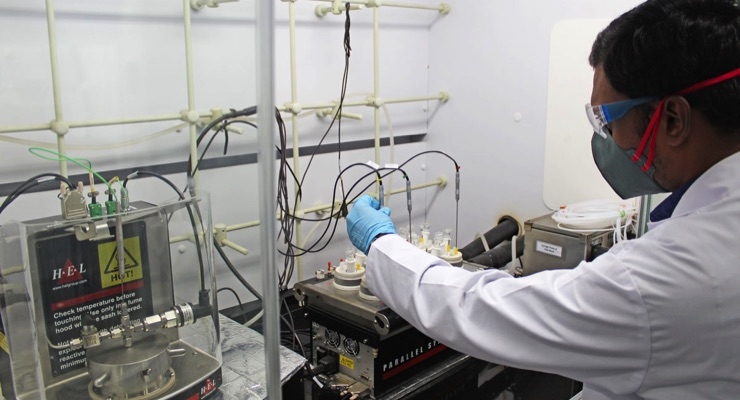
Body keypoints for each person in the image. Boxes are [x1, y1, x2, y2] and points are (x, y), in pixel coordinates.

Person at [345, 1, 740, 399]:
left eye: (607, 119)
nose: (608, 138)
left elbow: (483, 311)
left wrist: (382, 244)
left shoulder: (663, 278)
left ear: (673, 119)